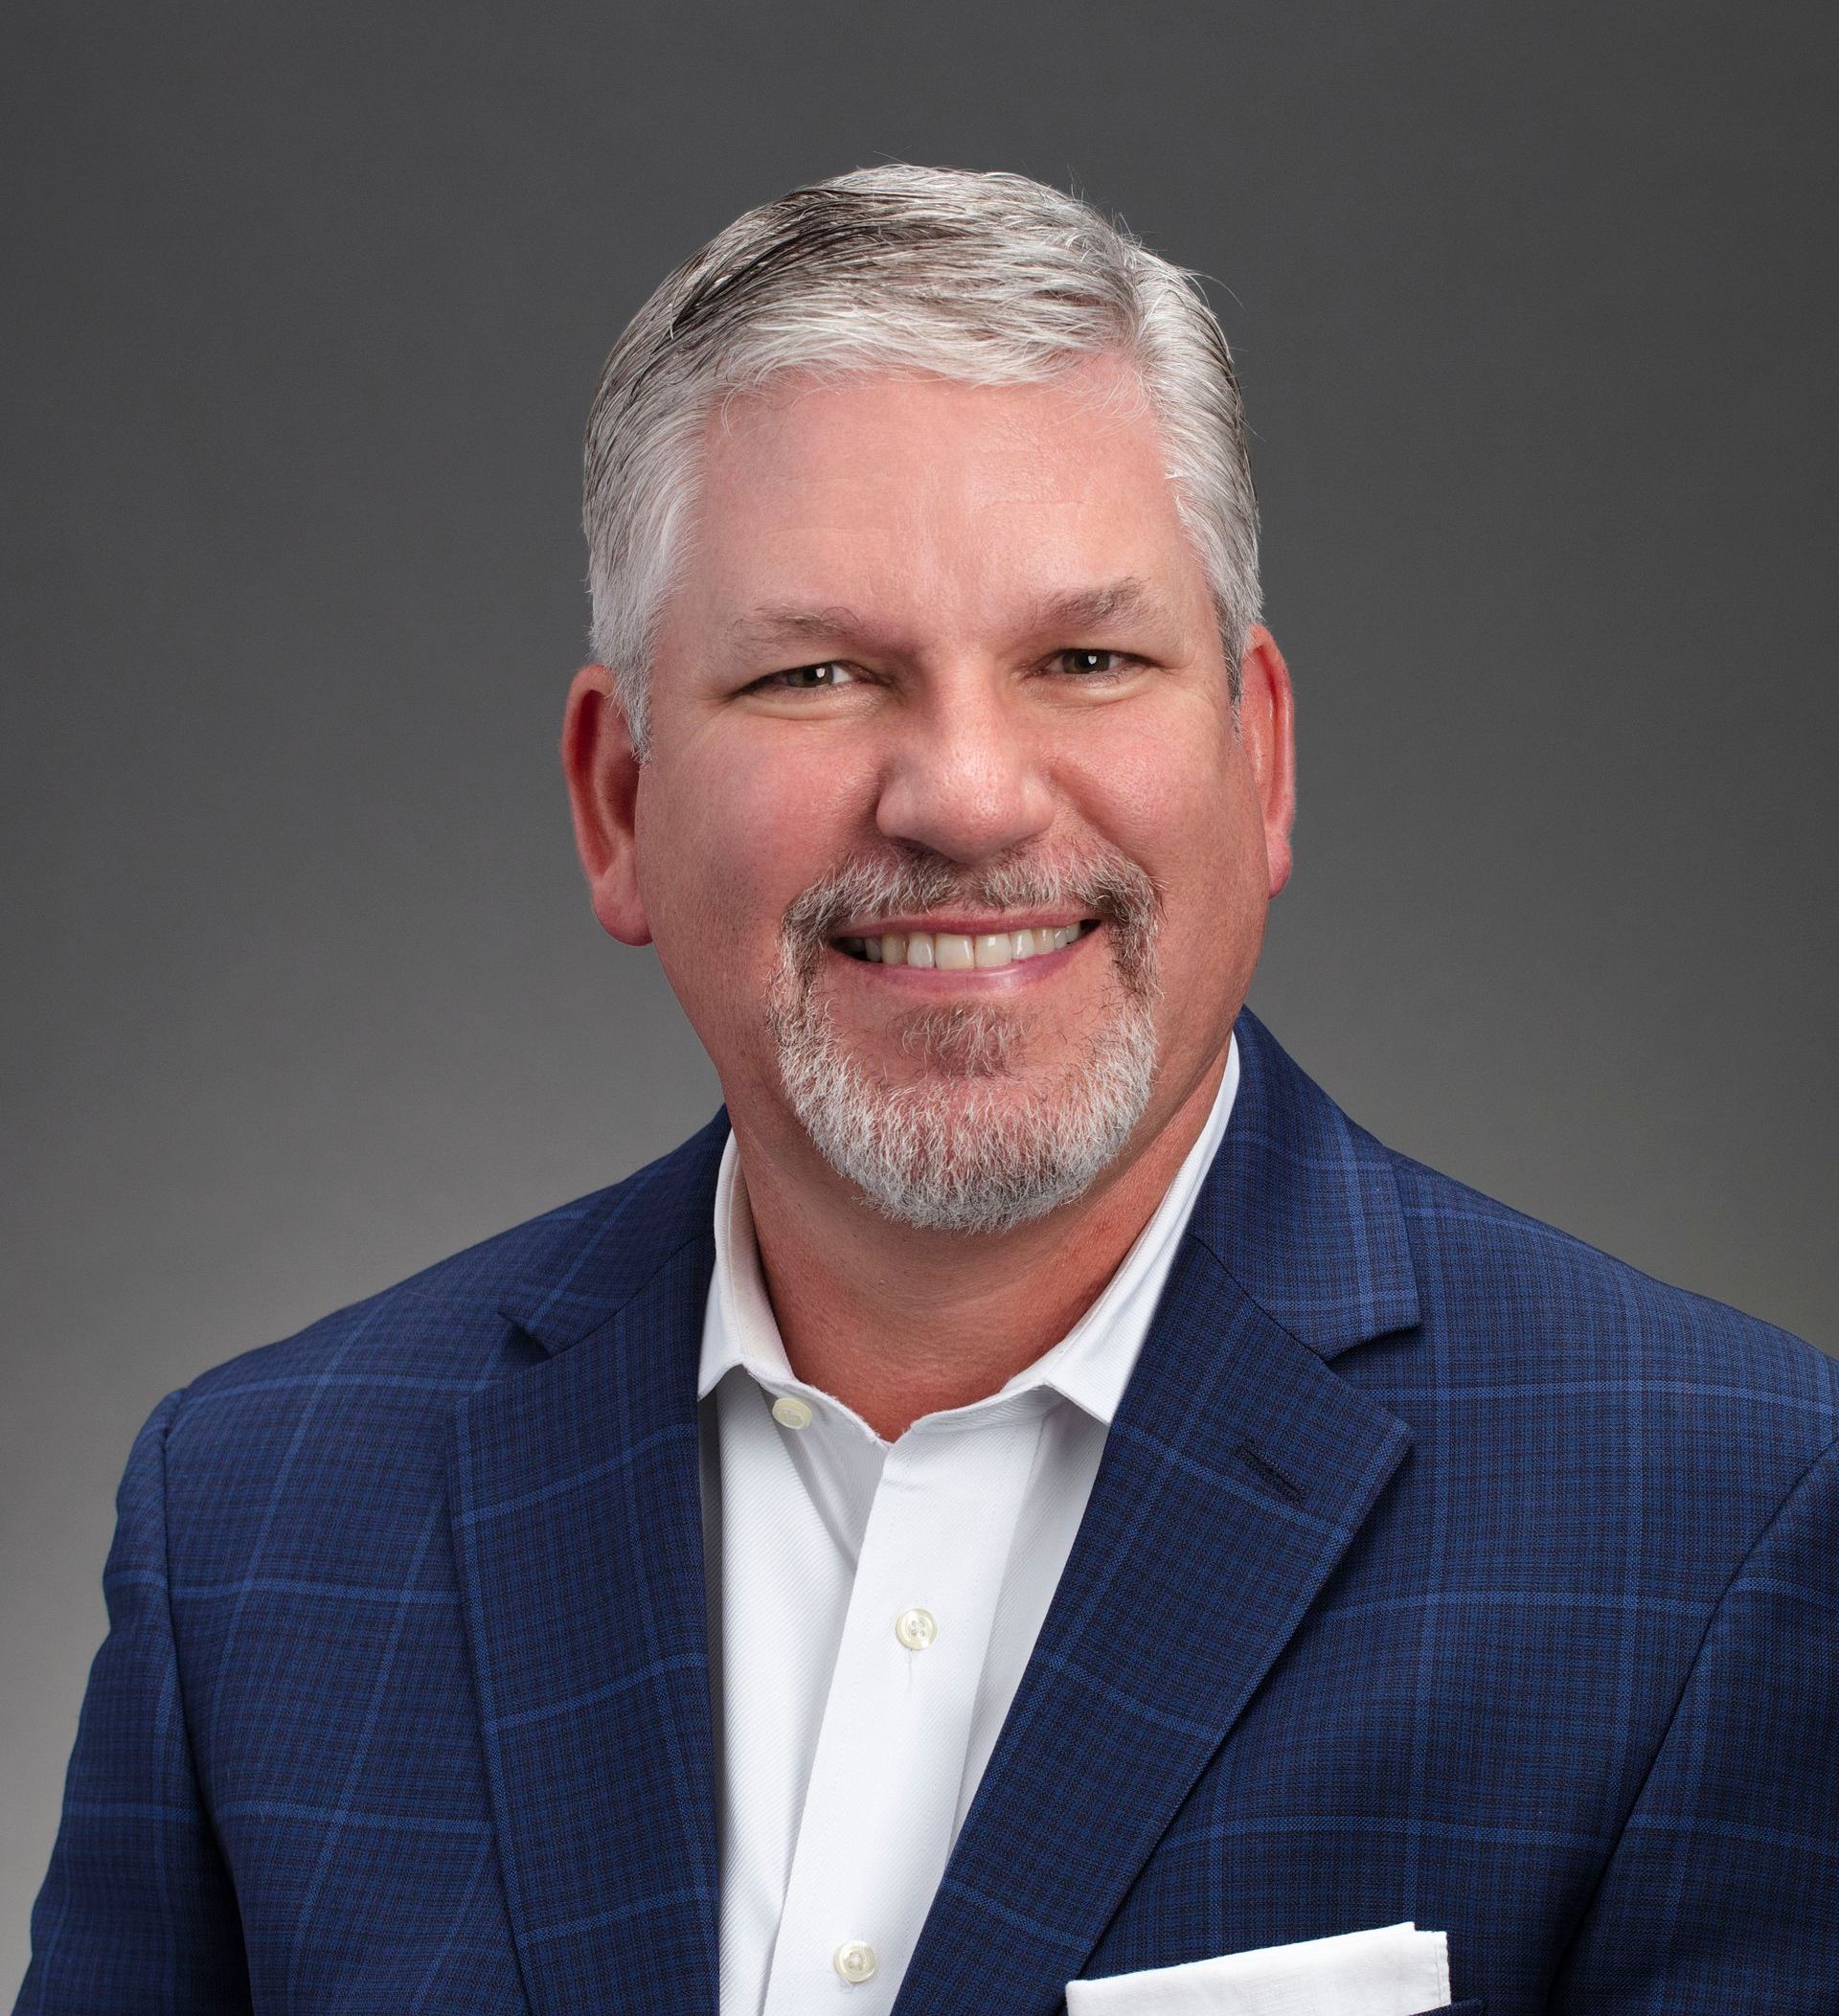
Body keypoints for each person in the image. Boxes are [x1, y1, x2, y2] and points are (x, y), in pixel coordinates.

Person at [16, 165, 1838, 2016]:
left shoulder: (1721, 1527)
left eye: (1087, 659)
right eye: (817, 671)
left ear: (1261, 757)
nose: (965, 796)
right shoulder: (257, 1531)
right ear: (618, 805)